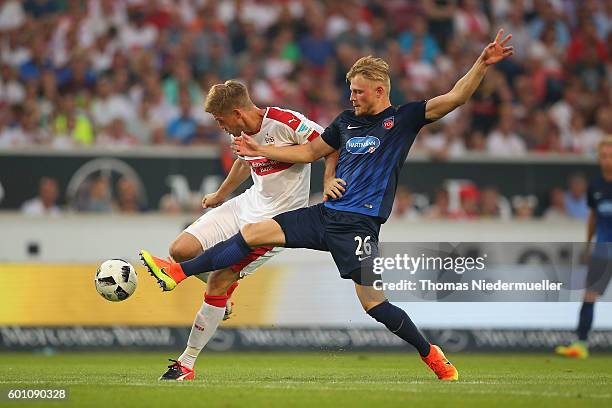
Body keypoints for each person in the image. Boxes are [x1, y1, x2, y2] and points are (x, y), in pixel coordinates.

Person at [141, 30, 514, 381]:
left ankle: (431, 354)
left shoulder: (403, 119)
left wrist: (481, 63)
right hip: (325, 214)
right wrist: (267, 153)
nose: (352, 98)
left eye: (359, 92)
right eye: (350, 91)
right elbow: (309, 151)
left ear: (380, 90)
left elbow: (455, 98)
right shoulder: (346, 122)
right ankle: (179, 273)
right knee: (253, 232)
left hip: (359, 226)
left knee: (375, 305)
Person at [147, 80, 337, 380]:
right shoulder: (242, 133)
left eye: (220, 119)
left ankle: (186, 364)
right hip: (246, 204)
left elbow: (327, 146)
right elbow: (243, 162)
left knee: (217, 283)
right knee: (180, 250)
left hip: (274, 223)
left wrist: (328, 181)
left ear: (236, 112)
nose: (219, 126)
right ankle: (222, 297)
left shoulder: (287, 122)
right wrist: (222, 194)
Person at [556, 136, 612, 359]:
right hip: (602, 248)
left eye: (611, 156)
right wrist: (588, 244)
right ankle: (580, 344)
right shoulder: (596, 186)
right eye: (604, 155)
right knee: (589, 295)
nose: (607, 160)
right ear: (599, 158)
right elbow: (592, 217)